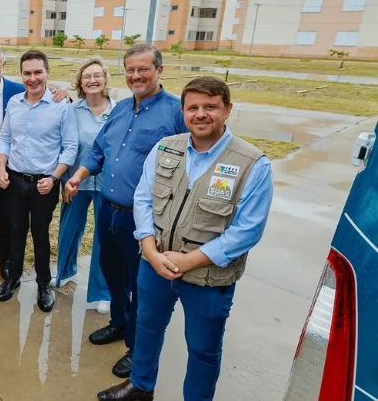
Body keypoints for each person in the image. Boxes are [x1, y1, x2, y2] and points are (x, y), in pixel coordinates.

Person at [98, 77, 273, 401]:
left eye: (210, 107)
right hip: (156, 264)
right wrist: (150, 250)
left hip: (208, 276)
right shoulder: (166, 147)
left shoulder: (251, 163)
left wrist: (190, 260)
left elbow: (248, 229)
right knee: (148, 328)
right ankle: (140, 385)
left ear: (227, 110)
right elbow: (143, 199)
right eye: (193, 107)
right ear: (183, 111)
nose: (201, 114)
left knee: (203, 348)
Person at [64, 43, 186, 379]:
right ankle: (119, 323)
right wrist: (77, 177)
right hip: (109, 209)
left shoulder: (176, 112)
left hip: (144, 218)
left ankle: (137, 347)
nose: (136, 76)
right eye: (130, 69)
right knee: (112, 271)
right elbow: (99, 150)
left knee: (140, 282)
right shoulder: (119, 109)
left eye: (143, 69)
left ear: (159, 70)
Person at [0, 45, 70, 276]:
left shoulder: (17, 91)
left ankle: (6, 259)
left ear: (3, 66)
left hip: (5, 169)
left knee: (7, 216)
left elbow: (41, 91)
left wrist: (65, 93)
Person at [0, 49, 77, 313]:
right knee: (16, 231)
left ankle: (43, 283)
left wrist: (54, 177)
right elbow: (5, 137)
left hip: (44, 183)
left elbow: (70, 146)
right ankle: (13, 277)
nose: (32, 78)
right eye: (27, 73)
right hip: (16, 181)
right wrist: (1, 168)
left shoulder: (61, 106)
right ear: (21, 75)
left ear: (47, 73)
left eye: (38, 72)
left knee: (40, 235)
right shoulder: (14, 103)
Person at [57, 57, 113, 312]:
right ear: (80, 81)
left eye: (97, 75)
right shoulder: (71, 109)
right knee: (69, 229)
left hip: (106, 182)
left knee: (104, 237)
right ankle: (64, 272)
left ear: (105, 79)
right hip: (74, 181)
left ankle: (103, 292)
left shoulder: (119, 111)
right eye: (87, 76)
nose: (92, 80)